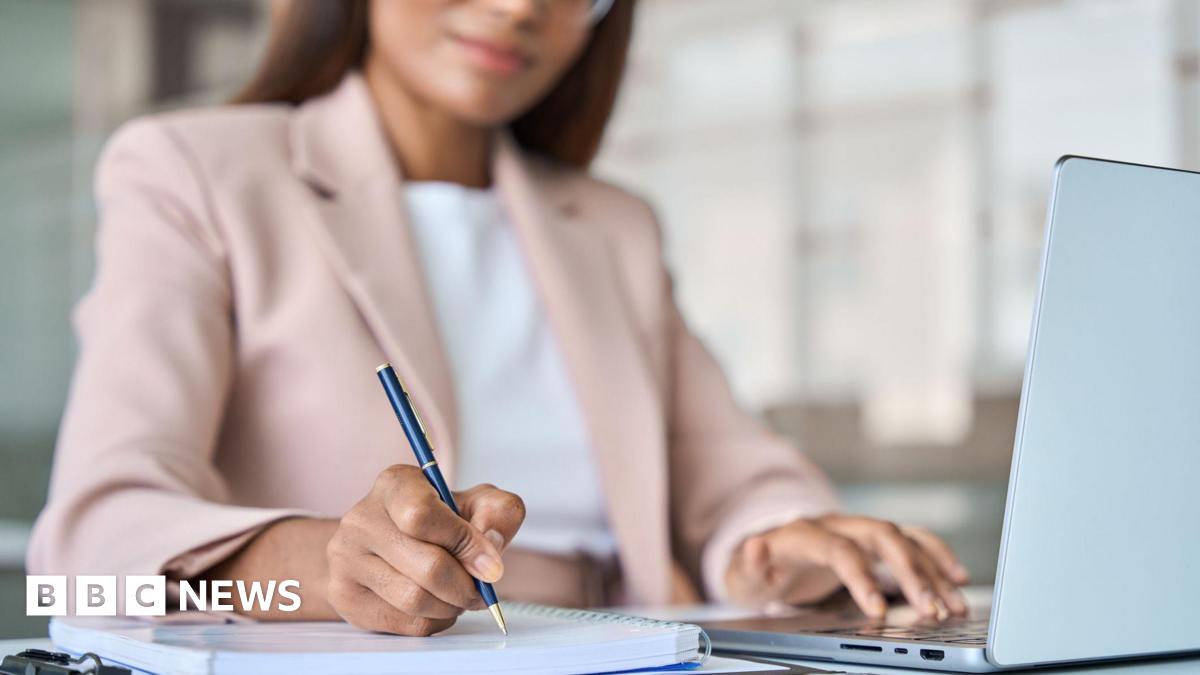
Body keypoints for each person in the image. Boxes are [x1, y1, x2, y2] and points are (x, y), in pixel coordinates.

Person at [28, 0, 970, 637]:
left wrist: (777, 539)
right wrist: (327, 567)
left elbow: (731, 479)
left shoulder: (611, 225)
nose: (522, 6)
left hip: (626, 650)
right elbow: (82, 557)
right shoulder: (194, 172)